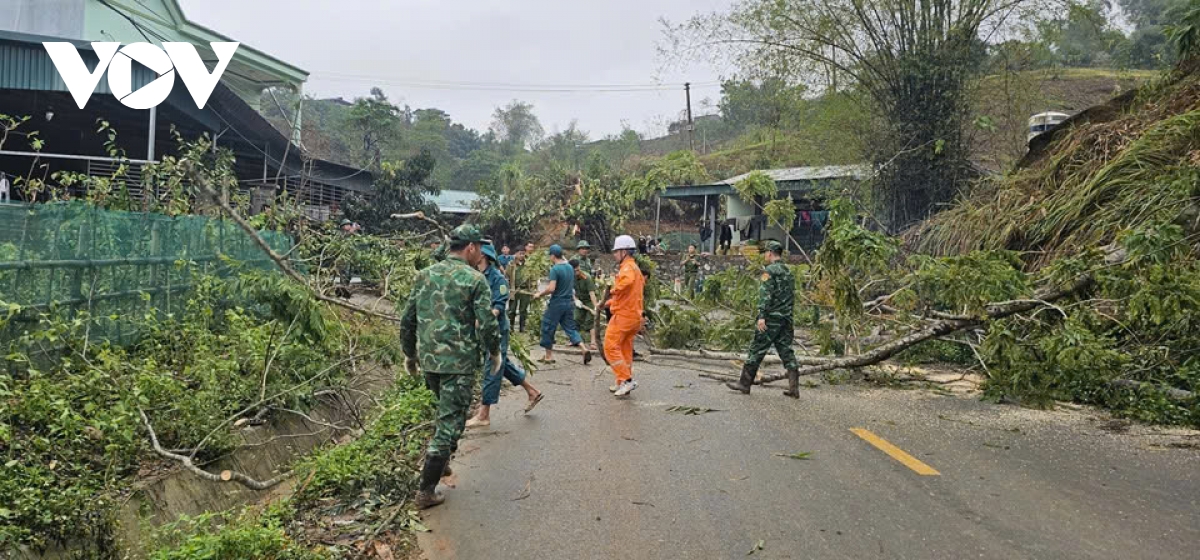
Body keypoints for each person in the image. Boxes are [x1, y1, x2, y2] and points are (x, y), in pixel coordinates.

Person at [400, 225, 501, 509]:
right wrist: (495, 353)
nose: (480, 252)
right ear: (470, 247)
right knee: (450, 422)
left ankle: (441, 462)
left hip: (430, 362)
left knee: (449, 415)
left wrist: (410, 355)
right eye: (479, 247)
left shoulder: (424, 275)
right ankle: (426, 490)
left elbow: (408, 320)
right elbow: (487, 323)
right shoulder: (474, 279)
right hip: (459, 364)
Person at [466, 244, 544, 428]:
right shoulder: (478, 277)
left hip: (496, 331)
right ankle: (532, 391)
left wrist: (482, 319)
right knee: (504, 365)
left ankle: (484, 414)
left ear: (484, 256)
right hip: (484, 331)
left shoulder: (498, 279)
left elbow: (499, 307)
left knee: (492, 367)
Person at [726, 240, 802, 398]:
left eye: (765, 253)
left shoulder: (770, 271)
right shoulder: (788, 271)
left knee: (757, 349)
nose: (765, 255)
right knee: (786, 350)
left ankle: (744, 384)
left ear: (769, 253)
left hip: (771, 318)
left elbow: (765, 295)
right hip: (786, 318)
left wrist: (761, 316)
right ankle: (794, 388)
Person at [533, 244, 592, 364]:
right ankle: (584, 348)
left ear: (553, 256)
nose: (549, 257)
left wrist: (539, 294)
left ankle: (549, 356)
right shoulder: (570, 268)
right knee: (570, 328)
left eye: (550, 255)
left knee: (548, 326)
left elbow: (551, 288)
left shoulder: (555, 269)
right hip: (569, 303)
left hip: (557, 303)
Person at [603, 235, 645, 397]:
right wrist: (607, 303)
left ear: (625, 251)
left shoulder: (627, 268)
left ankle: (627, 380)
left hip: (624, 315)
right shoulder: (635, 268)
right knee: (624, 348)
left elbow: (625, 283)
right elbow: (629, 293)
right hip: (634, 315)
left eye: (616, 251)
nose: (614, 254)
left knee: (610, 346)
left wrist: (613, 289)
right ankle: (622, 381)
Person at [570, 258, 600, 352]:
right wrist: (575, 300)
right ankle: (575, 340)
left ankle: (593, 342)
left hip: (589, 300)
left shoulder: (586, 277)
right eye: (574, 271)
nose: (577, 272)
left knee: (590, 320)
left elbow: (592, 293)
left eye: (578, 269)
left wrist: (595, 307)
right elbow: (571, 290)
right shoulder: (570, 277)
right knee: (576, 319)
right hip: (579, 300)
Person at [507, 246, 534, 332]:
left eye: (523, 253)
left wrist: (533, 288)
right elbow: (506, 276)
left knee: (523, 310)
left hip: (525, 290)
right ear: (516, 254)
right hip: (514, 290)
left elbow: (532, 277)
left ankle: (522, 327)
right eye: (520, 253)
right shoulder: (511, 264)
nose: (522, 255)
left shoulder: (528, 264)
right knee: (512, 310)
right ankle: (510, 327)